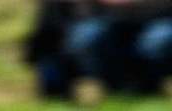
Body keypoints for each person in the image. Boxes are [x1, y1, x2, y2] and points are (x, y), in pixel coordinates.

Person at [27, 0, 172, 96]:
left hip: (157, 17)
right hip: (96, 18)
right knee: (89, 37)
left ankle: (145, 87)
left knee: (159, 39)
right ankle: (118, 90)